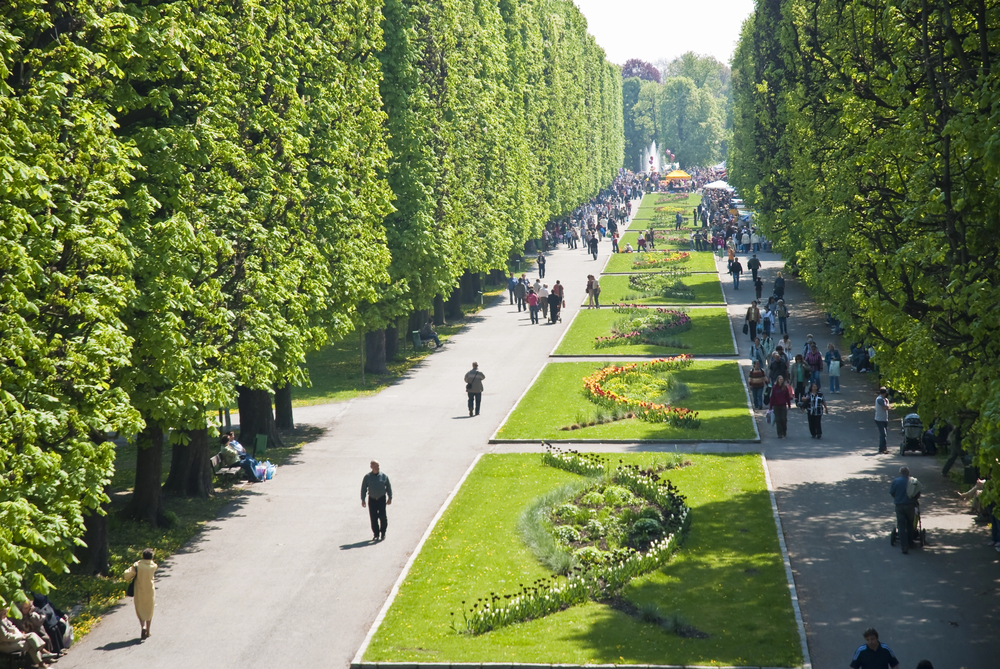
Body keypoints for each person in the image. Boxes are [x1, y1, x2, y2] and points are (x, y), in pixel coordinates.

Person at [122, 548, 158, 640]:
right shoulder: (154, 566)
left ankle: (143, 627)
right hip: (150, 590)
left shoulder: (138, 566)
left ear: (143, 556)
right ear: (151, 557)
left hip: (139, 591)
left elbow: (126, 575)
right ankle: (148, 631)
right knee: (149, 610)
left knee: (140, 609)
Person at [890, 466, 922, 554]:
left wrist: (898, 498)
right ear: (908, 473)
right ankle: (910, 543)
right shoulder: (913, 482)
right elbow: (918, 494)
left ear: (900, 473)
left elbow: (892, 493)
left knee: (901, 525)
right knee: (910, 524)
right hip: (910, 505)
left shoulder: (896, 481)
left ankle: (904, 546)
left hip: (899, 506)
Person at [361, 460, 392, 541]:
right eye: (375, 466)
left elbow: (388, 487)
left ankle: (383, 532)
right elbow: (363, 488)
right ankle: (376, 534)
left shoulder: (384, 476)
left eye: (378, 466)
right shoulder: (367, 477)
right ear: (371, 467)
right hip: (372, 500)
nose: (377, 468)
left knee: (383, 517)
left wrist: (390, 497)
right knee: (373, 518)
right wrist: (363, 499)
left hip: (381, 499)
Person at [875, 387, 891, 454]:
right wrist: (888, 402)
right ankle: (882, 448)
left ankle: (884, 448)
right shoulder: (880, 399)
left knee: (884, 434)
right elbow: (885, 408)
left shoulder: (882, 399)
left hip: (884, 419)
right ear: (885, 393)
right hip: (879, 419)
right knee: (883, 434)